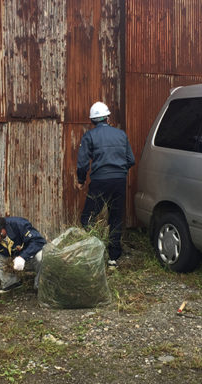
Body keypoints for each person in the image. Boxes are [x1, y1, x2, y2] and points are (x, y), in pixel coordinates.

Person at [76, 101, 135, 267]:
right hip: (119, 181)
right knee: (116, 217)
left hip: (99, 181)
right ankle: (113, 258)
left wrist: (81, 180)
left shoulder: (89, 136)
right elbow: (131, 160)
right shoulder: (121, 135)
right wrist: (119, 171)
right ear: (108, 118)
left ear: (92, 121)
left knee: (88, 218)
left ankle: (92, 253)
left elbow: (82, 164)